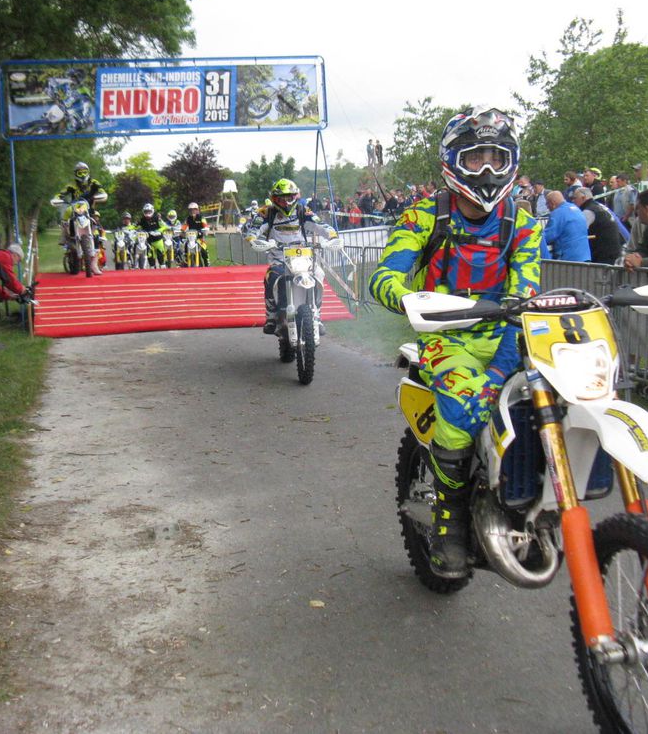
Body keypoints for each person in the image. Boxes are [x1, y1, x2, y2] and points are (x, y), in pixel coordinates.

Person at [369, 107, 541, 577]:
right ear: (452, 162)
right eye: (475, 158)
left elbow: (525, 292)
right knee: (467, 405)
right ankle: (449, 522)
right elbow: (384, 275)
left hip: (506, 333)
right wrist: (412, 301)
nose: (486, 169)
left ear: (511, 162)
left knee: (556, 398)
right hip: (445, 336)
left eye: (496, 158)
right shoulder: (424, 215)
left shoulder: (523, 225)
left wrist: (506, 360)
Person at [246, 178, 340, 335]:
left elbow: (321, 225)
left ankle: (316, 315)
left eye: (290, 198)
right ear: (274, 199)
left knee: (318, 274)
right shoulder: (266, 213)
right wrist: (254, 240)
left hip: (302, 257)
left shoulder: (303, 211)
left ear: (296, 196)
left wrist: (332, 236)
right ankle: (271, 316)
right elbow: (252, 230)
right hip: (279, 259)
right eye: (281, 199)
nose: (286, 203)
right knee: (270, 277)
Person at [57, 161, 108, 243]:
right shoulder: (72, 185)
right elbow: (61, 193)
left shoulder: (93, 182)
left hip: (90, 208)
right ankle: (64, 235)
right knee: (67, 211)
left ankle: (100, 235)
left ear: (88, 172)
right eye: (80, 173)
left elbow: (101, 190)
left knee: (96, 216)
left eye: (85, 172)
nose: (83, 175)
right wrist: (57, 198)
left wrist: (102, 195)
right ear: (76, 174)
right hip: (75, 208)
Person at [571, 188, 623, 264]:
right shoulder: (599, 206)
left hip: (603, 255)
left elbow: (576, 233)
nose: (573, 201)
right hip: (615, 250)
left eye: (575, 198)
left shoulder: (588, 211)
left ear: (583, 198)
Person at [542, 191, 591, 262]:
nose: (547, 207)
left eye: (547, 203)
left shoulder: (557, 214)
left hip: (568, 259)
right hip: (584, 256)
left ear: (553, 203)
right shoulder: (576, 209)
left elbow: (547, 237)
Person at [134, 203, 169, 268]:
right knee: (150, 257)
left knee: (160, 256)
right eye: (146, 211)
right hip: (148, 241)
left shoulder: (157, 218)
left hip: (158, 239)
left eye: (149, 211)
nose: (147, 213)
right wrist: (126, 229)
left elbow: (165, 226)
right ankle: (152, 270)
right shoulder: (142, 219)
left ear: (152, 211)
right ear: (143, 212)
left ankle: (163, 269)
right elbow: (135, 226)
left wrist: (158, 231)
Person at [183, 202, 210, 266]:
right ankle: (187, 259)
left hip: (199, 238)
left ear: (197, 210)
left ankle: (207, 262)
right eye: (191, 210)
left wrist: (205, 229)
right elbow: (184, 226)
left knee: (204, 250)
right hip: (190, 238)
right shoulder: (188, 218)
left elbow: (205, 225)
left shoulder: (201, 218)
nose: (192, 211)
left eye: (194, 209)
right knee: (186, 245)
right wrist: (181, 231)